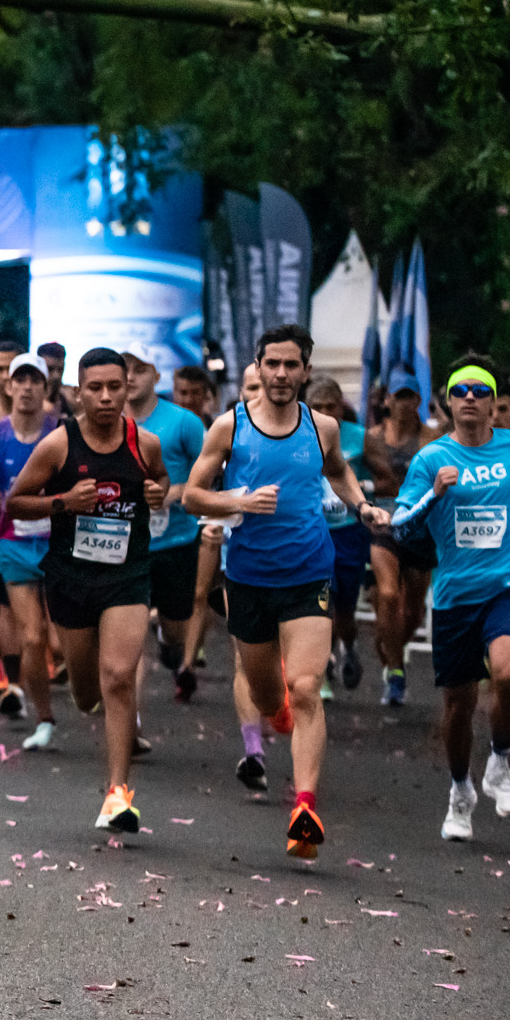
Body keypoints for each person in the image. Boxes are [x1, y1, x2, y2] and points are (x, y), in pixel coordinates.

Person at [184, 324, 386, 859]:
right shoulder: (229, 428)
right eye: (271, 364)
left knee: (304, 688)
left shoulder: (323, 428)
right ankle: (275, 720)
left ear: (305, 369)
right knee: (273, 697)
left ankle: (304, 808)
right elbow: (191, 497)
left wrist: (362, 506)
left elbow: (340, 475)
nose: (280, 374)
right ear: (259, 365)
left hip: (308, 573)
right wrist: (237, 503)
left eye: (290, 365)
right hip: (248, 579)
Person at [386, 358, 510, 841]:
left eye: (479, 390)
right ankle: (460, 791)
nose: (469, 396)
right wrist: (434, 494)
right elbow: (401, 524)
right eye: (460, 390)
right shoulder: (431, 460)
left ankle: (501, 764)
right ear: (448, 402)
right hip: (454, 596)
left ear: (493, 404)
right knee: (458, 707)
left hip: (508, 584)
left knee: (509, 673)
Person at [5, 349, 168, 831]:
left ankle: (118, 794)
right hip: (71, 580)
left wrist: (159, 492)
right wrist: (62, 502)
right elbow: (15, 502)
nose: (105, 397)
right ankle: (84, 698)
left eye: (114, 387)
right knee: (84, 693)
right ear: (77, 392)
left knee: (118, 676)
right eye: (94, 388)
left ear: (126, 388)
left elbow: (160, 481)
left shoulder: (146, 442)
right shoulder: (58, 445)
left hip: (127, 576)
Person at [0, 352, 60, 747]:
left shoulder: (61, 433)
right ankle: (44, 717)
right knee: (33, 638)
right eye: (19, 380)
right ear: (8, 387)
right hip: (14, 542)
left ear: (45, 386)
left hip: (60, 545)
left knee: (62, 643)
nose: (26, 387)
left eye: (34, 380)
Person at [124, 353, 211, 701]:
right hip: (126, 543)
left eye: (140, 369)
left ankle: (169, 639)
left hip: (176, 539)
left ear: (156, 375)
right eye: (125, 369)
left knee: (176, 628)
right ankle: (131, 720)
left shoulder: (184, 422)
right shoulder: (107, 420)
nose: (131, 377)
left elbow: (208, 469)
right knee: (130, 631)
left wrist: (176, 492)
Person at [371, 369, 439, 705]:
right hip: (382, 523)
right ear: (387, 400)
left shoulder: (432, 438)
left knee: (414, 612)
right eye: (398, 396)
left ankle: (389, 642)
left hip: (421, 528)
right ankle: (395, 672)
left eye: (409, 396)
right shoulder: (372, 437)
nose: (403, 403)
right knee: (387, 595)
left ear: (418, 400)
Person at [306, 375, 376, 694]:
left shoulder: (360, 438)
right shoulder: (295, 438)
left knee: (344, 608)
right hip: (311, 532)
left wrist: (366, 493)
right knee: (321, 602)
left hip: (348, 533)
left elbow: (389, 478)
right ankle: (321, 671)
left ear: (341, 408)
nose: (323, 412)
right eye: (315, 406)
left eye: (329, 406)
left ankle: (348, 646)